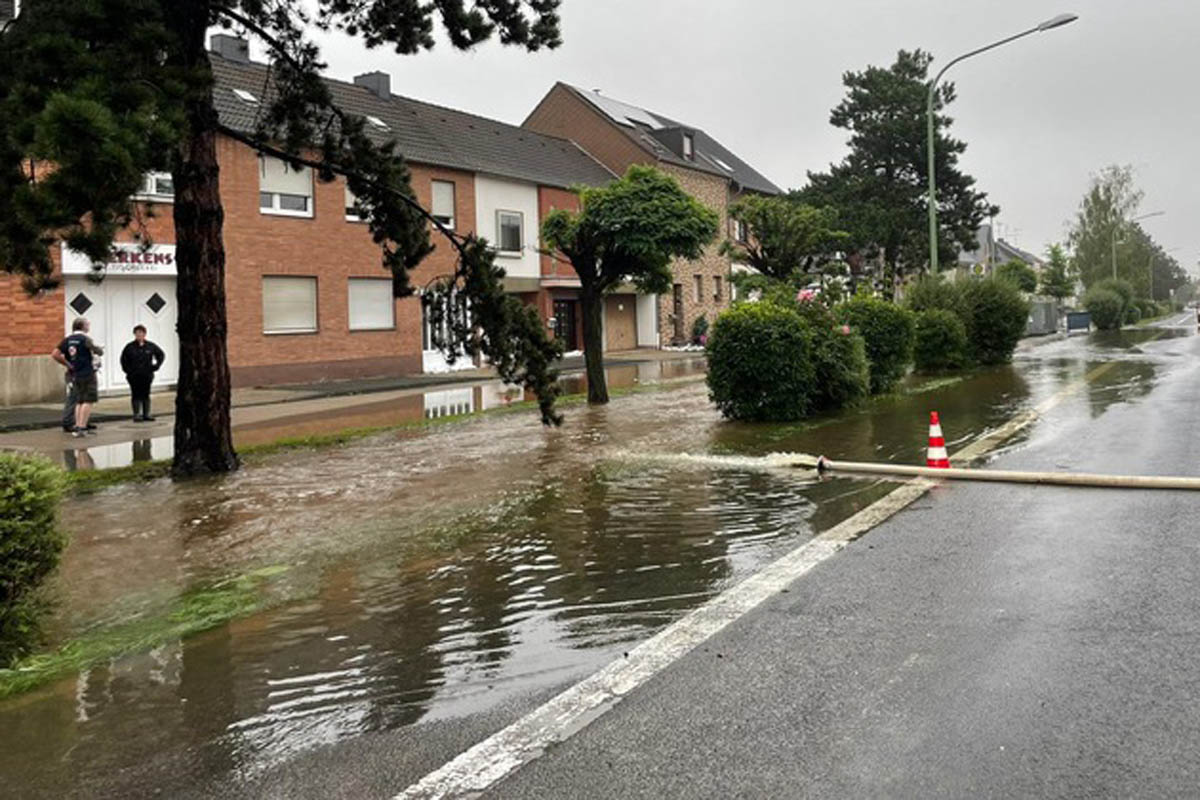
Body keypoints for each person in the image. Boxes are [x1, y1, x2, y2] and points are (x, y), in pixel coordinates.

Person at [51, 317, 103, 437]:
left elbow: (55, 354)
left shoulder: (68, 340)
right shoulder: (85, 339)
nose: (88, 327)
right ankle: (82, 427)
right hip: (87, 373)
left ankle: (78, 426)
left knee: (78, 400)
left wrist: (68, 364)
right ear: (83, 326)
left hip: (74, 374)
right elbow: (98, 351)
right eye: (87, 324)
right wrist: (99, 349)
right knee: (88, 400)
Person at [119, 324, 165, 421]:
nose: (139, 335)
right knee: (136, 394)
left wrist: (156, 366)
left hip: (146, 374)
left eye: (141, 333)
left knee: (146, 394)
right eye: (137, 333)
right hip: (134, 375)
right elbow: (123, 360)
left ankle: (146, 414)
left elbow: (161, 354)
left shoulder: (150, 346)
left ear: (144, 334)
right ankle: (136, 414)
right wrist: (128, 371)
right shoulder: (129, 347)